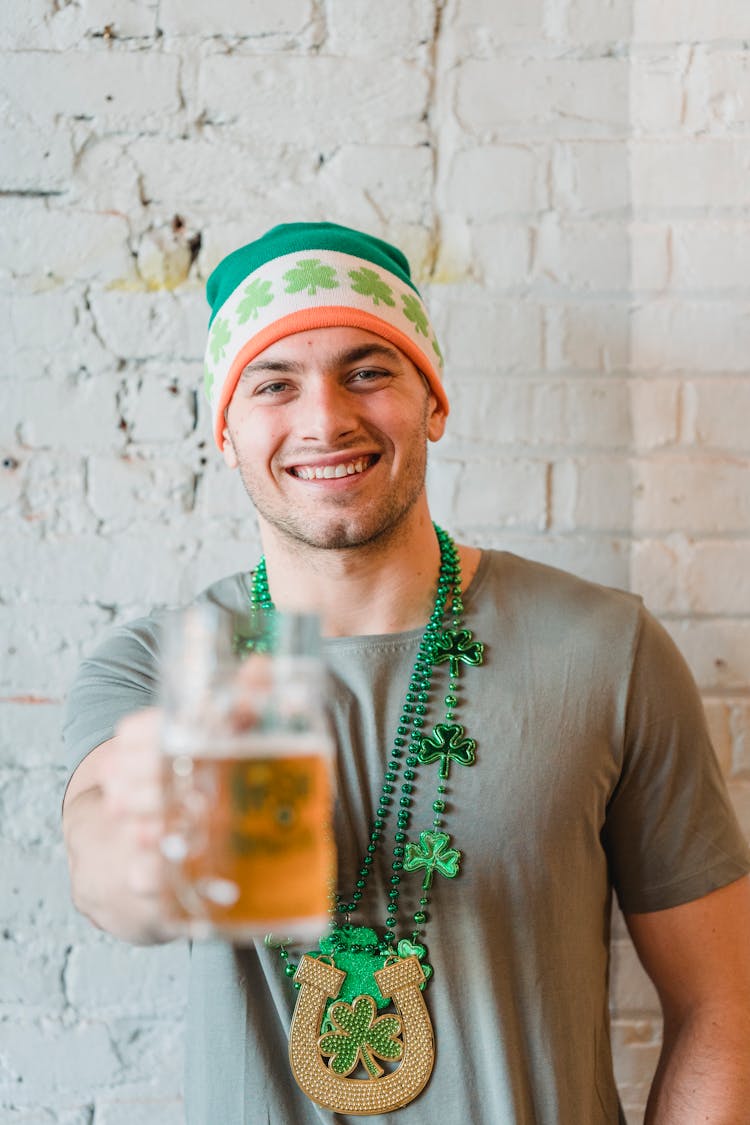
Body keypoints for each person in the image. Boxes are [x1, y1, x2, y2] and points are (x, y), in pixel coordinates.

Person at [62, 222, 750, 1124]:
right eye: (273, 384)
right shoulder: (161, 666)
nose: (325, 419)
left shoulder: (604, 646)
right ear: (224, 432)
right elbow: (108, 872)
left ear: (433, 401)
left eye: (368, 370)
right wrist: (144, 843)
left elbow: (723, 1004)